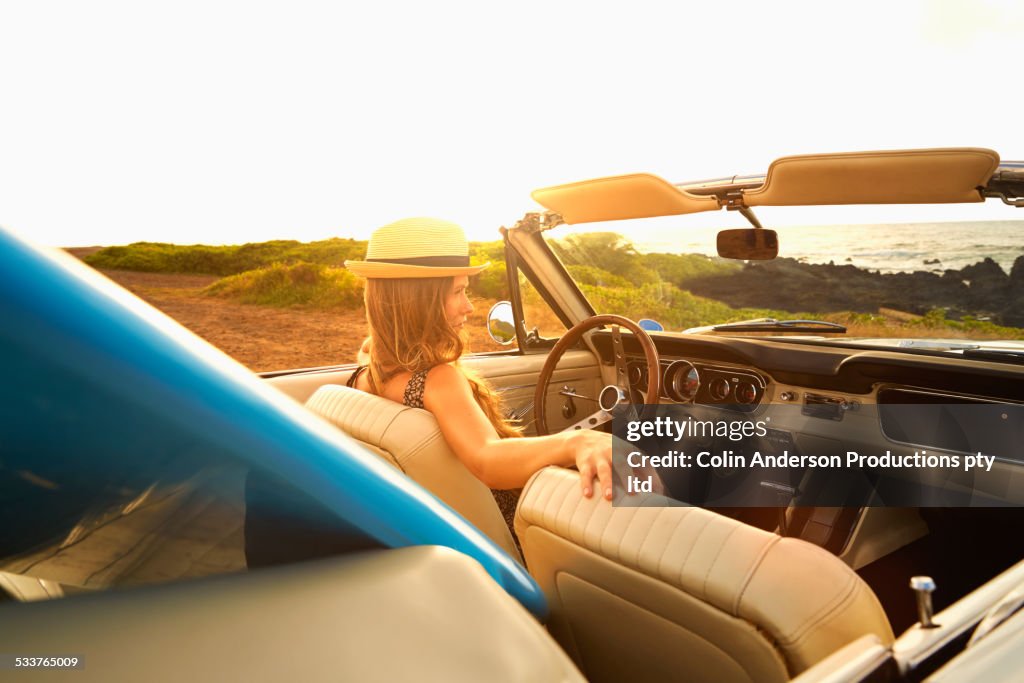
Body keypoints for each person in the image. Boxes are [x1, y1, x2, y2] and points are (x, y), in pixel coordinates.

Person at [343, 217, 615, 522]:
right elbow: (488, 459)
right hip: (513, 526)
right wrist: (578, 441)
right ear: (419, 302)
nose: (469, 307)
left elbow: (370, 347)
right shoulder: (438, 380)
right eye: (459, 292)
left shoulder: (366, 373)